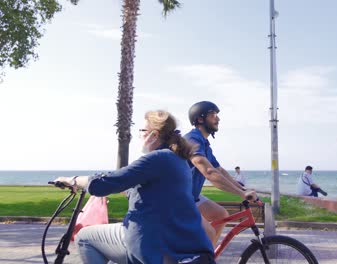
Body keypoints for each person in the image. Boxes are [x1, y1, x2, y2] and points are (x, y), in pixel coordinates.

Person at [53, 110, 214, 264]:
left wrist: (72, 180)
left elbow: (103, 184)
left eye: (142, 130)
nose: (140, 135)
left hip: (151, 241)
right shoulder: (178, 160)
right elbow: (147, 189)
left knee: (84, 237)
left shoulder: (157, 158)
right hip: (176, 241)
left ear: (154, 134)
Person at [184, 101, 257, 247]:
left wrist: (242, 189)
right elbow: (209, 172)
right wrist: (241, 194)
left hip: (191, 195)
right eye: (213, 115)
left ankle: (207, 256)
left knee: (221, 215)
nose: (218, 119)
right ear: (200, 119)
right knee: (209, 232)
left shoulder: (203, 143)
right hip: (178, 198)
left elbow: (219, 170)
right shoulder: (192, 139)